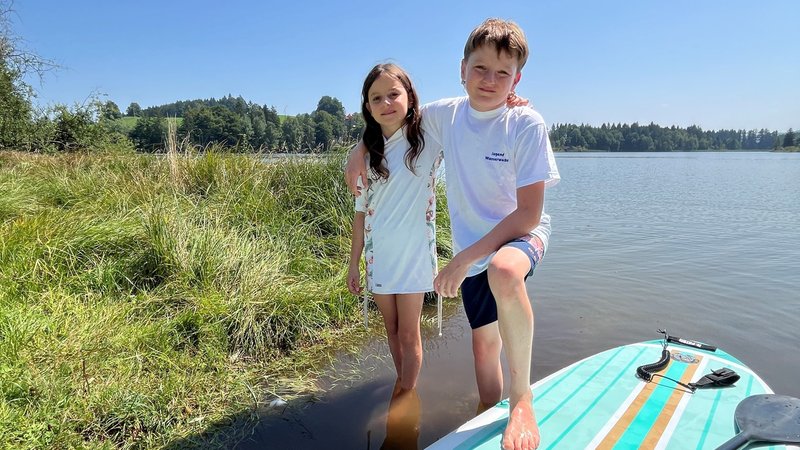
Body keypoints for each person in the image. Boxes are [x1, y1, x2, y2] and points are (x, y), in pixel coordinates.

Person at [346, 19, 560, 450]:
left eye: (503, 74)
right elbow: (392, 116)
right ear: (462, 69)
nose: (490, 81)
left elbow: (529, 213)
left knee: (503, 269)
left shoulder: (526, 123)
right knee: (483, 349)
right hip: (473, 249)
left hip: (521, 235)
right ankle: (488, 415)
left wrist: (462, 260)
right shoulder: (446, 114)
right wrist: (358, 150)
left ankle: (523, 400)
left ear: (517, 78)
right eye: (480, 69)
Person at [347, 63, 443, 394]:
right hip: (380, 258)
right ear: (368, 108)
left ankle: (405, 395)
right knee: (390, 328)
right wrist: (353, 264)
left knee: (409, 333)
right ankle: (403, 383)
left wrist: (512, 99)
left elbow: (471, 114)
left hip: (415, 256)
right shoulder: (367, 156)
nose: (386, 103)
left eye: (393, 94)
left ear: (410, 97)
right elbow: (361, 215)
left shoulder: (428, 140)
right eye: (377, 98)